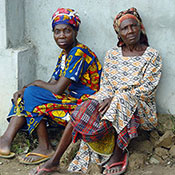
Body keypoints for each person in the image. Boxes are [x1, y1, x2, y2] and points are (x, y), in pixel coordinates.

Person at [29, 7, 162, 175]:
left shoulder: (152, 55)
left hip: (140, 109)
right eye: (124, 28)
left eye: (133, 26)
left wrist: (115, 97)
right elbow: (105, 86)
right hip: (112, 103)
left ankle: (118, 154)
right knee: (85, 106)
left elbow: (147, 89)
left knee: (122, 99)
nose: (130, 31)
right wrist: (96, 101)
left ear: (140, 28)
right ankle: (54, 160)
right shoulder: (112, 54)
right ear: (118, 33)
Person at [0, 8, 102, 165]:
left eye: (67, 31)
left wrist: (32, 85)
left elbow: (57, 89)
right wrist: (26, 90)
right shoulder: (65, 55)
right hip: (70, 100)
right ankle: (6, 140)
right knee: (26, 95)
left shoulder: (79, 53)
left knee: (32, 93)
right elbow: (51, 84)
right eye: (57, 31)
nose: (61, 35)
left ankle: (45, 147)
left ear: (76, 31)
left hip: (84, 105)